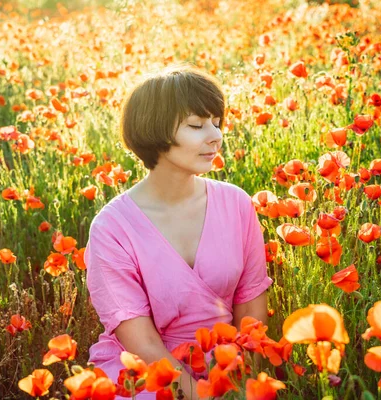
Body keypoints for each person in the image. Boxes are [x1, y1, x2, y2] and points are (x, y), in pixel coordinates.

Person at [83, 64, 273, 399]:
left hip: (227, 361)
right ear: (154, 131)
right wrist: (199, 395)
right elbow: (140, 340)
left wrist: (244, 384)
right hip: (147, 371)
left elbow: (251, 307)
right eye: (197, 125)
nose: (215, 136)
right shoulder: (111, 228)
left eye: (217, 122)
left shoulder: (236, 204)